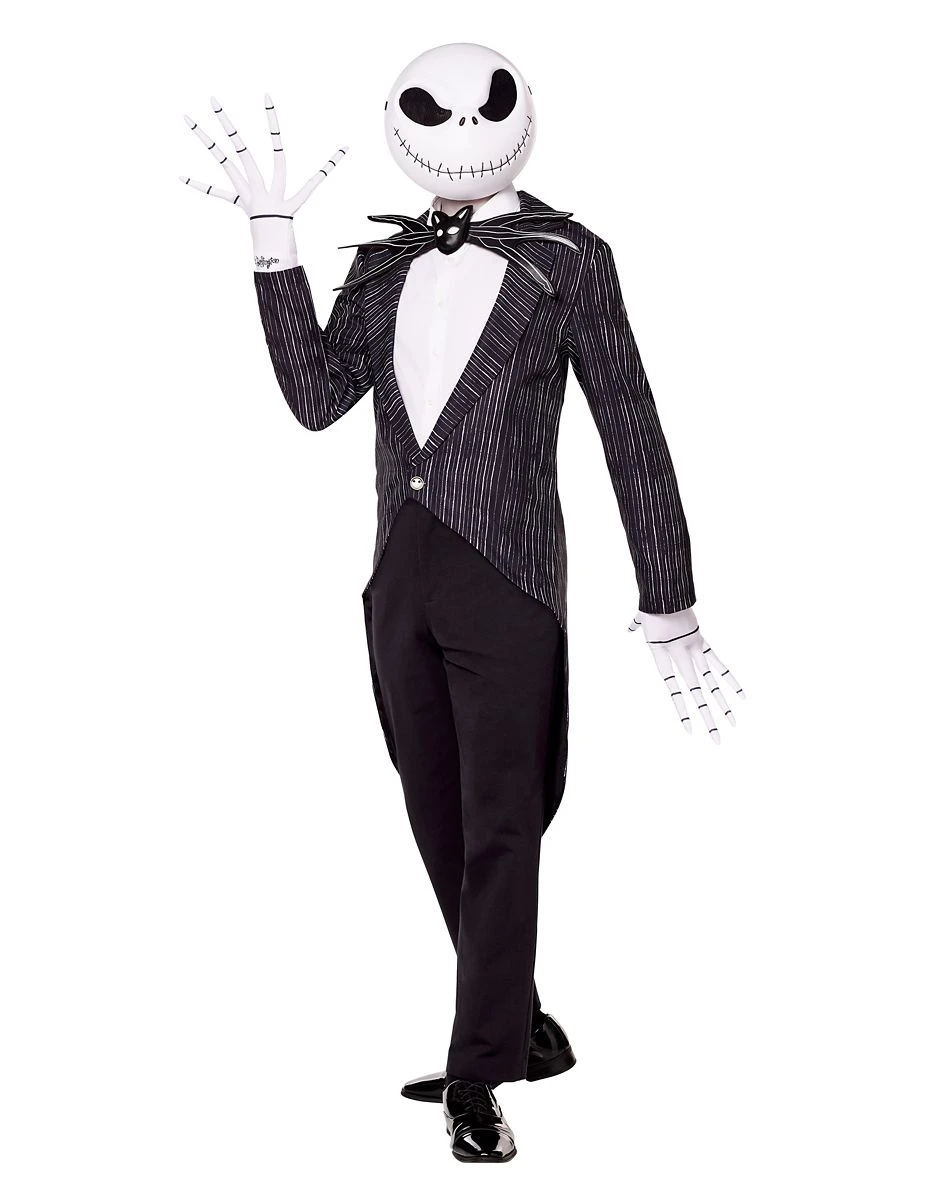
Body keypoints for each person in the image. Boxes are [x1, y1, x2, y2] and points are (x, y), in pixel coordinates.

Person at [180, 41, 744, 1164]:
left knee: (502, 821)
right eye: (433, 113)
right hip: (399, 575)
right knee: (435, 812)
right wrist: (273, 246)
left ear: (523, 119)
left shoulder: (567, 258)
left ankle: (477, 1074)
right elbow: (316, 399)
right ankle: (517, 1024)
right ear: (399, 127)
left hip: (510, 575)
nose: (462, 130)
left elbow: (630, 428)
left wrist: (669, 602)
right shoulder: (383, 264)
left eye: (485, 107)